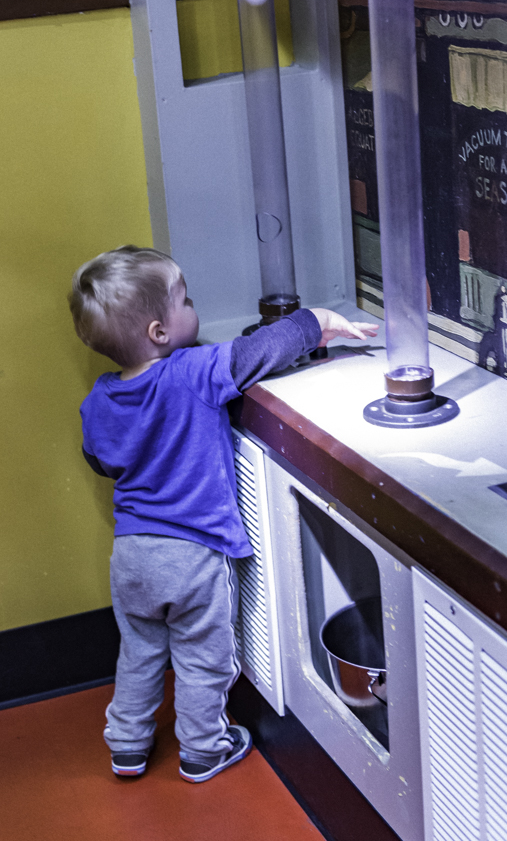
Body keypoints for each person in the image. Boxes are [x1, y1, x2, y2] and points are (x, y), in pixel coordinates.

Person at [68, 245, 378, 784]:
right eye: (185, 301)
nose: (194, 307)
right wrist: (319, 322)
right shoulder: (192, 372)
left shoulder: (100, 398)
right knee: (202, 657)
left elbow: (99, 460)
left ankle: (127, 744)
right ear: (160, 332)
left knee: (140, 652)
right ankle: (204, 749)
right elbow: (259, 351)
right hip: (194, 556)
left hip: (132, 556)